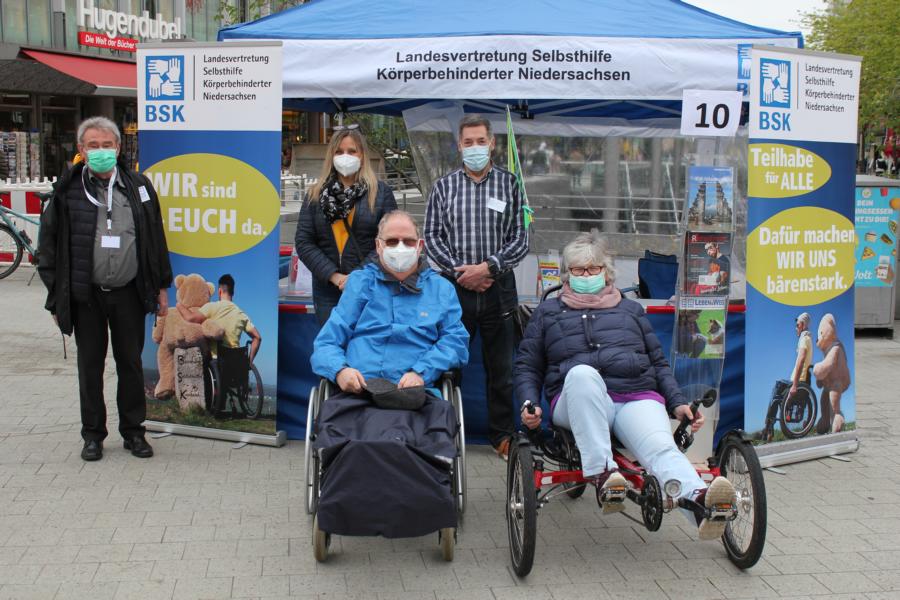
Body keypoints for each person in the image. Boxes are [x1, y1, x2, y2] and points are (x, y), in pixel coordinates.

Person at [515, 231, 736, 540]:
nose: (587, 275)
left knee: (660, 448)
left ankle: (699, 501)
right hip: (578, 399)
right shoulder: (548, 312)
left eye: (594, 269)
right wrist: (530, 403)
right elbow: (527, 365)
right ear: (567, 274)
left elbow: (658, 363)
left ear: (607, 272)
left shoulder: (630, 310)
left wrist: (677, 402)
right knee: (581, 374)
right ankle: (604, 474)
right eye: (579, 269)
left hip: (635, 395)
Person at [37, 116, 172, 461]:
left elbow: (155, 239)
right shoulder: (68, 190)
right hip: (86, 294)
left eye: (107, 145)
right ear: (81, 150)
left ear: (118, 147)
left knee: (130, 363)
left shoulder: (138, 186)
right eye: (93, 146)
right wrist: (57, 299)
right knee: (90, 366)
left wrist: (160, 287)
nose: (101, 151)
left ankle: (134, 432)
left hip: (128, 290)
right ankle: (93, 435)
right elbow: (48, 249)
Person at [425, 115, 529, 460]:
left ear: (492, 143)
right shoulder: (444, 186)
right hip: (454, 292)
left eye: (480, 141)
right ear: (459, 145)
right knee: (449, 367)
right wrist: (462, 273)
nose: (474, 148)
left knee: (501, 371)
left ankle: (501, 438)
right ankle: (444, 434)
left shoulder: (510, 184)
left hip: (499, 291)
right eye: (468, 142)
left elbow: (521, 238)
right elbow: (431, 238)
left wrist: (488, 268)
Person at [311, 210, 469, 396]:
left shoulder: (442, 289)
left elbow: (455, 342)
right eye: (392, 241)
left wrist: (422, 372)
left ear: (419, 246)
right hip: (358, 392)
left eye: (408, 241)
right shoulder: (359, 283)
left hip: (415, 394)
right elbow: (326, 343)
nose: (400, 248)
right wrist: (339, 371)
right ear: (378, 246)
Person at [295, 125, 397, 325]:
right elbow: (304, 241)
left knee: (366, 345)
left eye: (352, 151)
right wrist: (335, 276)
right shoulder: (315, 194)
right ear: (331, 156)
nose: (345, 156)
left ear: (362, 156)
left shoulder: (381, 192)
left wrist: (357, 276)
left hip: (369, 285)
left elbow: (389, 241)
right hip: (327, 290)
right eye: (339, 151)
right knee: (332, 347)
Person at [177, 274, 262, 363]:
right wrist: (249, 362)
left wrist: (179, 305)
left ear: (219, 291)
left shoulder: (212, 307)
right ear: (233, 292)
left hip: (216, 363)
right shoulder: (242, 314)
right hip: (236, 363)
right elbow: (258, 338)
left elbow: (190, 318)